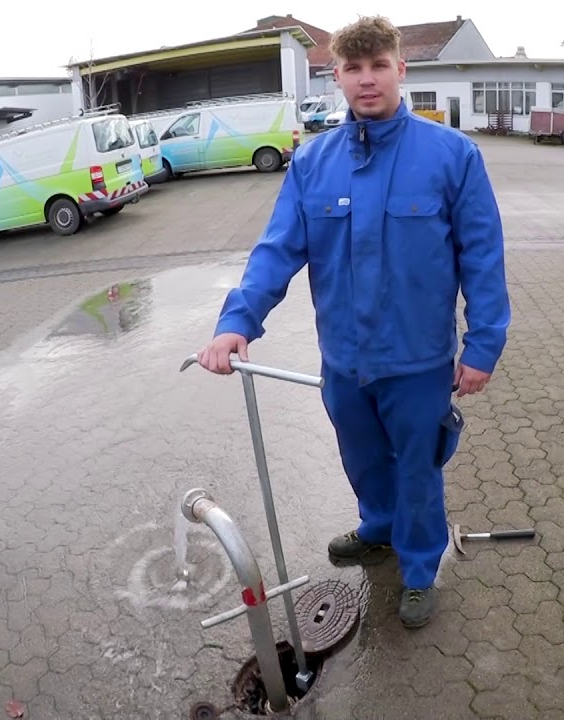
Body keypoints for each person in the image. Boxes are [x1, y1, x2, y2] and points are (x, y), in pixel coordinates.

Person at [195, 15, 510, 628]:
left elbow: (483, 255)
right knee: (362, 459)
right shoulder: (314, 163)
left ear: (401, 69)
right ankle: (379, 530)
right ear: (335, 75)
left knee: (417, 469)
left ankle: (419, 568)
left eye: (379, 66)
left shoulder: (452, 156)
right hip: (343, 360)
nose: (367, 80)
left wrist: (483, 347)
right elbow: (277, 251)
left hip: (417, 363)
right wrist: (238, 321)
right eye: (354, 68)